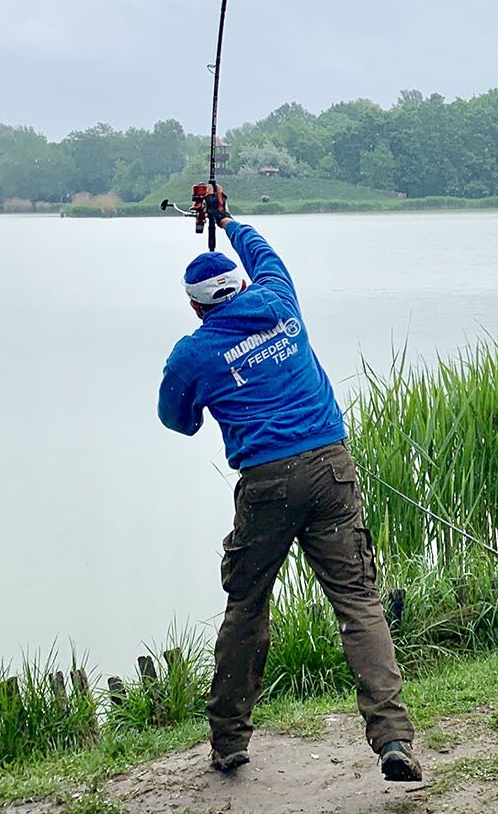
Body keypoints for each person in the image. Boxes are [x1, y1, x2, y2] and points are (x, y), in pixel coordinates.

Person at [157, 196, 422, 783]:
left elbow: (177, 420)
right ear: (241, 282)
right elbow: (263, 253)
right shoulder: (277, 296)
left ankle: (228, 740)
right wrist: (227, 220)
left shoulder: (193, 352)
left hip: (266, 485)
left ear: (193, 305)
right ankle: (393, 738)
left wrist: (212, 390)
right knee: (358, 601)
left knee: (246, 606)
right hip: (332, 470)